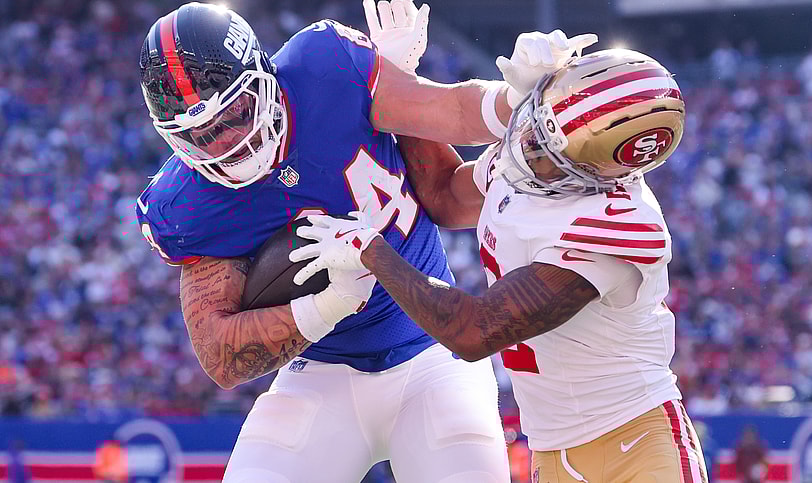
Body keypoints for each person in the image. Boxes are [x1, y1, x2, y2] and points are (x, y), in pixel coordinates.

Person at [135, 1, 583, 481]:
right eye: (200, 135)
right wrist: (330, 305)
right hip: (321, 375)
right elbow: (220, 355)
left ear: (262, 75)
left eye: (235, 114)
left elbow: (450, 110)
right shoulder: (186, 202)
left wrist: (516, 99)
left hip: (432, 358)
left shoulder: (324, 69)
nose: (225, 142)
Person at [290, 46, 709, 482]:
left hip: (635, 444)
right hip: (549, 452)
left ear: (599, 171)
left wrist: (372, 251)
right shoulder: (527, 160)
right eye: (535, 121)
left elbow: (473, 332)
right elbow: (444, 198)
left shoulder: (621, 225)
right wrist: (404, 82)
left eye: (547, 149)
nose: (526, 146)